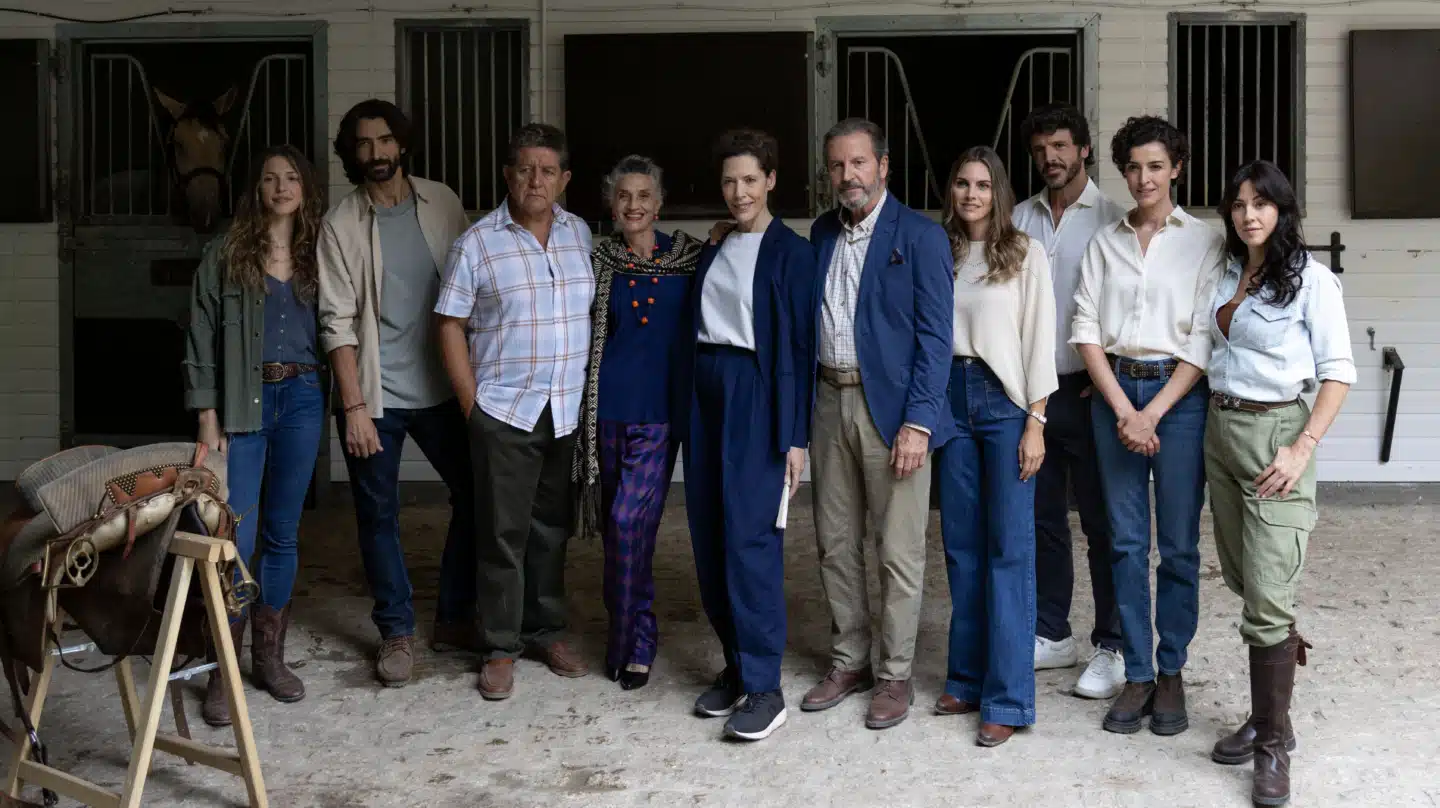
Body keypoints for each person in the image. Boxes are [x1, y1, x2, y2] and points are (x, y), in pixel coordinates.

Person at [1070, 115, 1226, 737]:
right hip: (1115, 393)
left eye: (1156, 166)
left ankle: (1171, 670)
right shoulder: (1104, 242)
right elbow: (1085, 328)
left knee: (1180, 544)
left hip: (1179, 400)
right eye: (1133, 168)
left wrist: (1153, 412)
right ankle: (1136, 671)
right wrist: (1122, 410)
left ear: (1176, 168)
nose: (1144, 179)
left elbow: (1204, 336)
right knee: (1125, 542)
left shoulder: (1204, 241)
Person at [1203, 160, 1353, 807]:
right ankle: (1273, 718)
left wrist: (1302, 448)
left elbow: (1338, 371)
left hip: (1276, 436)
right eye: (1239, 205)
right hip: (1221, 433)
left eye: (1261, 204)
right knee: (1245, 578)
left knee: (1267, 595)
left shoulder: (1312, 281)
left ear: (1283, 210)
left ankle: (1271, 748)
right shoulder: (1225, 269)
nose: (1248, 215)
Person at [801, 117, 955, 730]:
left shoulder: (919, 236)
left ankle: (894, 673)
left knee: (898, 549)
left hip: (891, 412)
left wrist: (919, 422)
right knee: (835, 543)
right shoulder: (820, 233)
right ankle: (849, 661)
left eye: (859, 162)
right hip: (827, 401)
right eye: (838, 165)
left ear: (883, 166)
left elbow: (936, 340)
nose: (848, 175)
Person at [318, 99, 477, 687]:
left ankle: (455, 616)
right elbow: (335, 323)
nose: (376, 153)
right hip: (374, 395)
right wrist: (354, 407)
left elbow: (473, 287)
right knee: (377, 514)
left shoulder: (443, 202)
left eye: (384, 140)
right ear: (352, 153)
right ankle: (396, 631)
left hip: (443, 388)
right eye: (363, 144)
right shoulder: (340, 224)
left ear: (401, 144)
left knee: (477, 494)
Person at [436, 123, 596, 701]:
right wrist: (471, 405)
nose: (536, 180)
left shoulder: (580, 234)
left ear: (564, 179)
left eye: (548, 171)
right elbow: (449, 324)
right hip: (503, 412)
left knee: (551, 530)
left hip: (564, 411)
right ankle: (500, 645)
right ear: (508, 176)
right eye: (525, 169)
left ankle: (545, 630)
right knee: (502, 534)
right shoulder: (477, 243)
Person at [184, 144, 326, 726]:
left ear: (305, 189)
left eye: (291, 177)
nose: (281, 187)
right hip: (245, 402)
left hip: (304, 397)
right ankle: (223, 665)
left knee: (282, 533)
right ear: (256, 189)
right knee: (232, 535)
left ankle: (269, 657)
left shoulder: (321, 254)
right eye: (270, 178)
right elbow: (200, 333)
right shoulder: (226, 253)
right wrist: (207, 415)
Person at [685, 128, 816, 741]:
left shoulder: (792, 253)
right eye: (729, 181)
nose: (739, 192)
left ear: (771, 181)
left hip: (756, 391)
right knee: (709, 534)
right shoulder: (715, 245)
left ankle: (766, 688)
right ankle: (737, 667)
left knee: (750, 541)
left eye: (750, 180)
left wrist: (795, 436)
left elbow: (799, 350)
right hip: (705, 388)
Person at [933, 146, 1057, 747]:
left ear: (998, 192)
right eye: (963, 183)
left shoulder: (1024, 253)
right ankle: (965, 677)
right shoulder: (940, 250)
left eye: (983, 185)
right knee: (962, 547)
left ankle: (1007, 697)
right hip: (949, 400)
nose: (972, 194)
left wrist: (1036, 420)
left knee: (1009, 548)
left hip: (1004, 400)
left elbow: (1039, 337)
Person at [1011, 104, 1129, 699]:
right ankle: (1052, 633)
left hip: (1089, 392)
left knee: (1104, 524)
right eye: (1040, 150)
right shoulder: (1018, 217)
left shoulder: (1113, 219)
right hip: (1033, 394)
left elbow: (1127, 306)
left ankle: (1112, 645)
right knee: (1042, 520)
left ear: (1084, 149)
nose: (1049, 158)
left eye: (1060, 146)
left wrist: (1108, 378)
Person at [574, 155, 702, 691]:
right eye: (624, 195)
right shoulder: (597, 261)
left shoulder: (690, 259)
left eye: (644, 195)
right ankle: (627, 633)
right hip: (605, 411)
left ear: (660, 202)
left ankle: (634, 639)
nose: (634, 205)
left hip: (659, 416)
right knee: (617, 531)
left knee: (631, 522)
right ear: (611, 203)